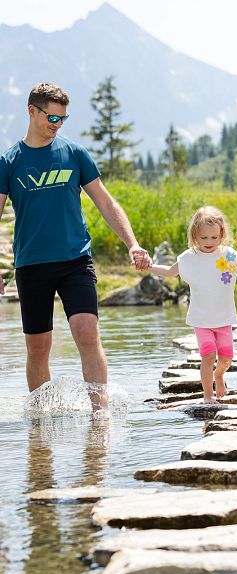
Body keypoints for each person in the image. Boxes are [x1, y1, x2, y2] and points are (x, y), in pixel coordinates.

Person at [0, 83, 151, 396]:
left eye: (63, 119)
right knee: (38, 347)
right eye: (52, 118)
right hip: (32, 265)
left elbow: (107, 203)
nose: (57, 125)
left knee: (86, 333)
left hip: (75, 261)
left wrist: (132, 243)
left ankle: (101, 419)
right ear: (32, 111)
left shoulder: (74, 154)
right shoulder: (9, 162)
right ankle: (41, 427)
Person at [148, 206, 237, 404]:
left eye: (214, 237)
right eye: (204, 238)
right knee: (208, 355)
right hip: (201, 319)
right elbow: (170, 272)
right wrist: (148, 266)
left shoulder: (228, 255)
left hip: (223, 318)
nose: (209, 242)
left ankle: (219, 375)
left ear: (222, 234)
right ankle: (208, 396)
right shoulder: (189, 258)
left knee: (226, 357)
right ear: (195, 236)